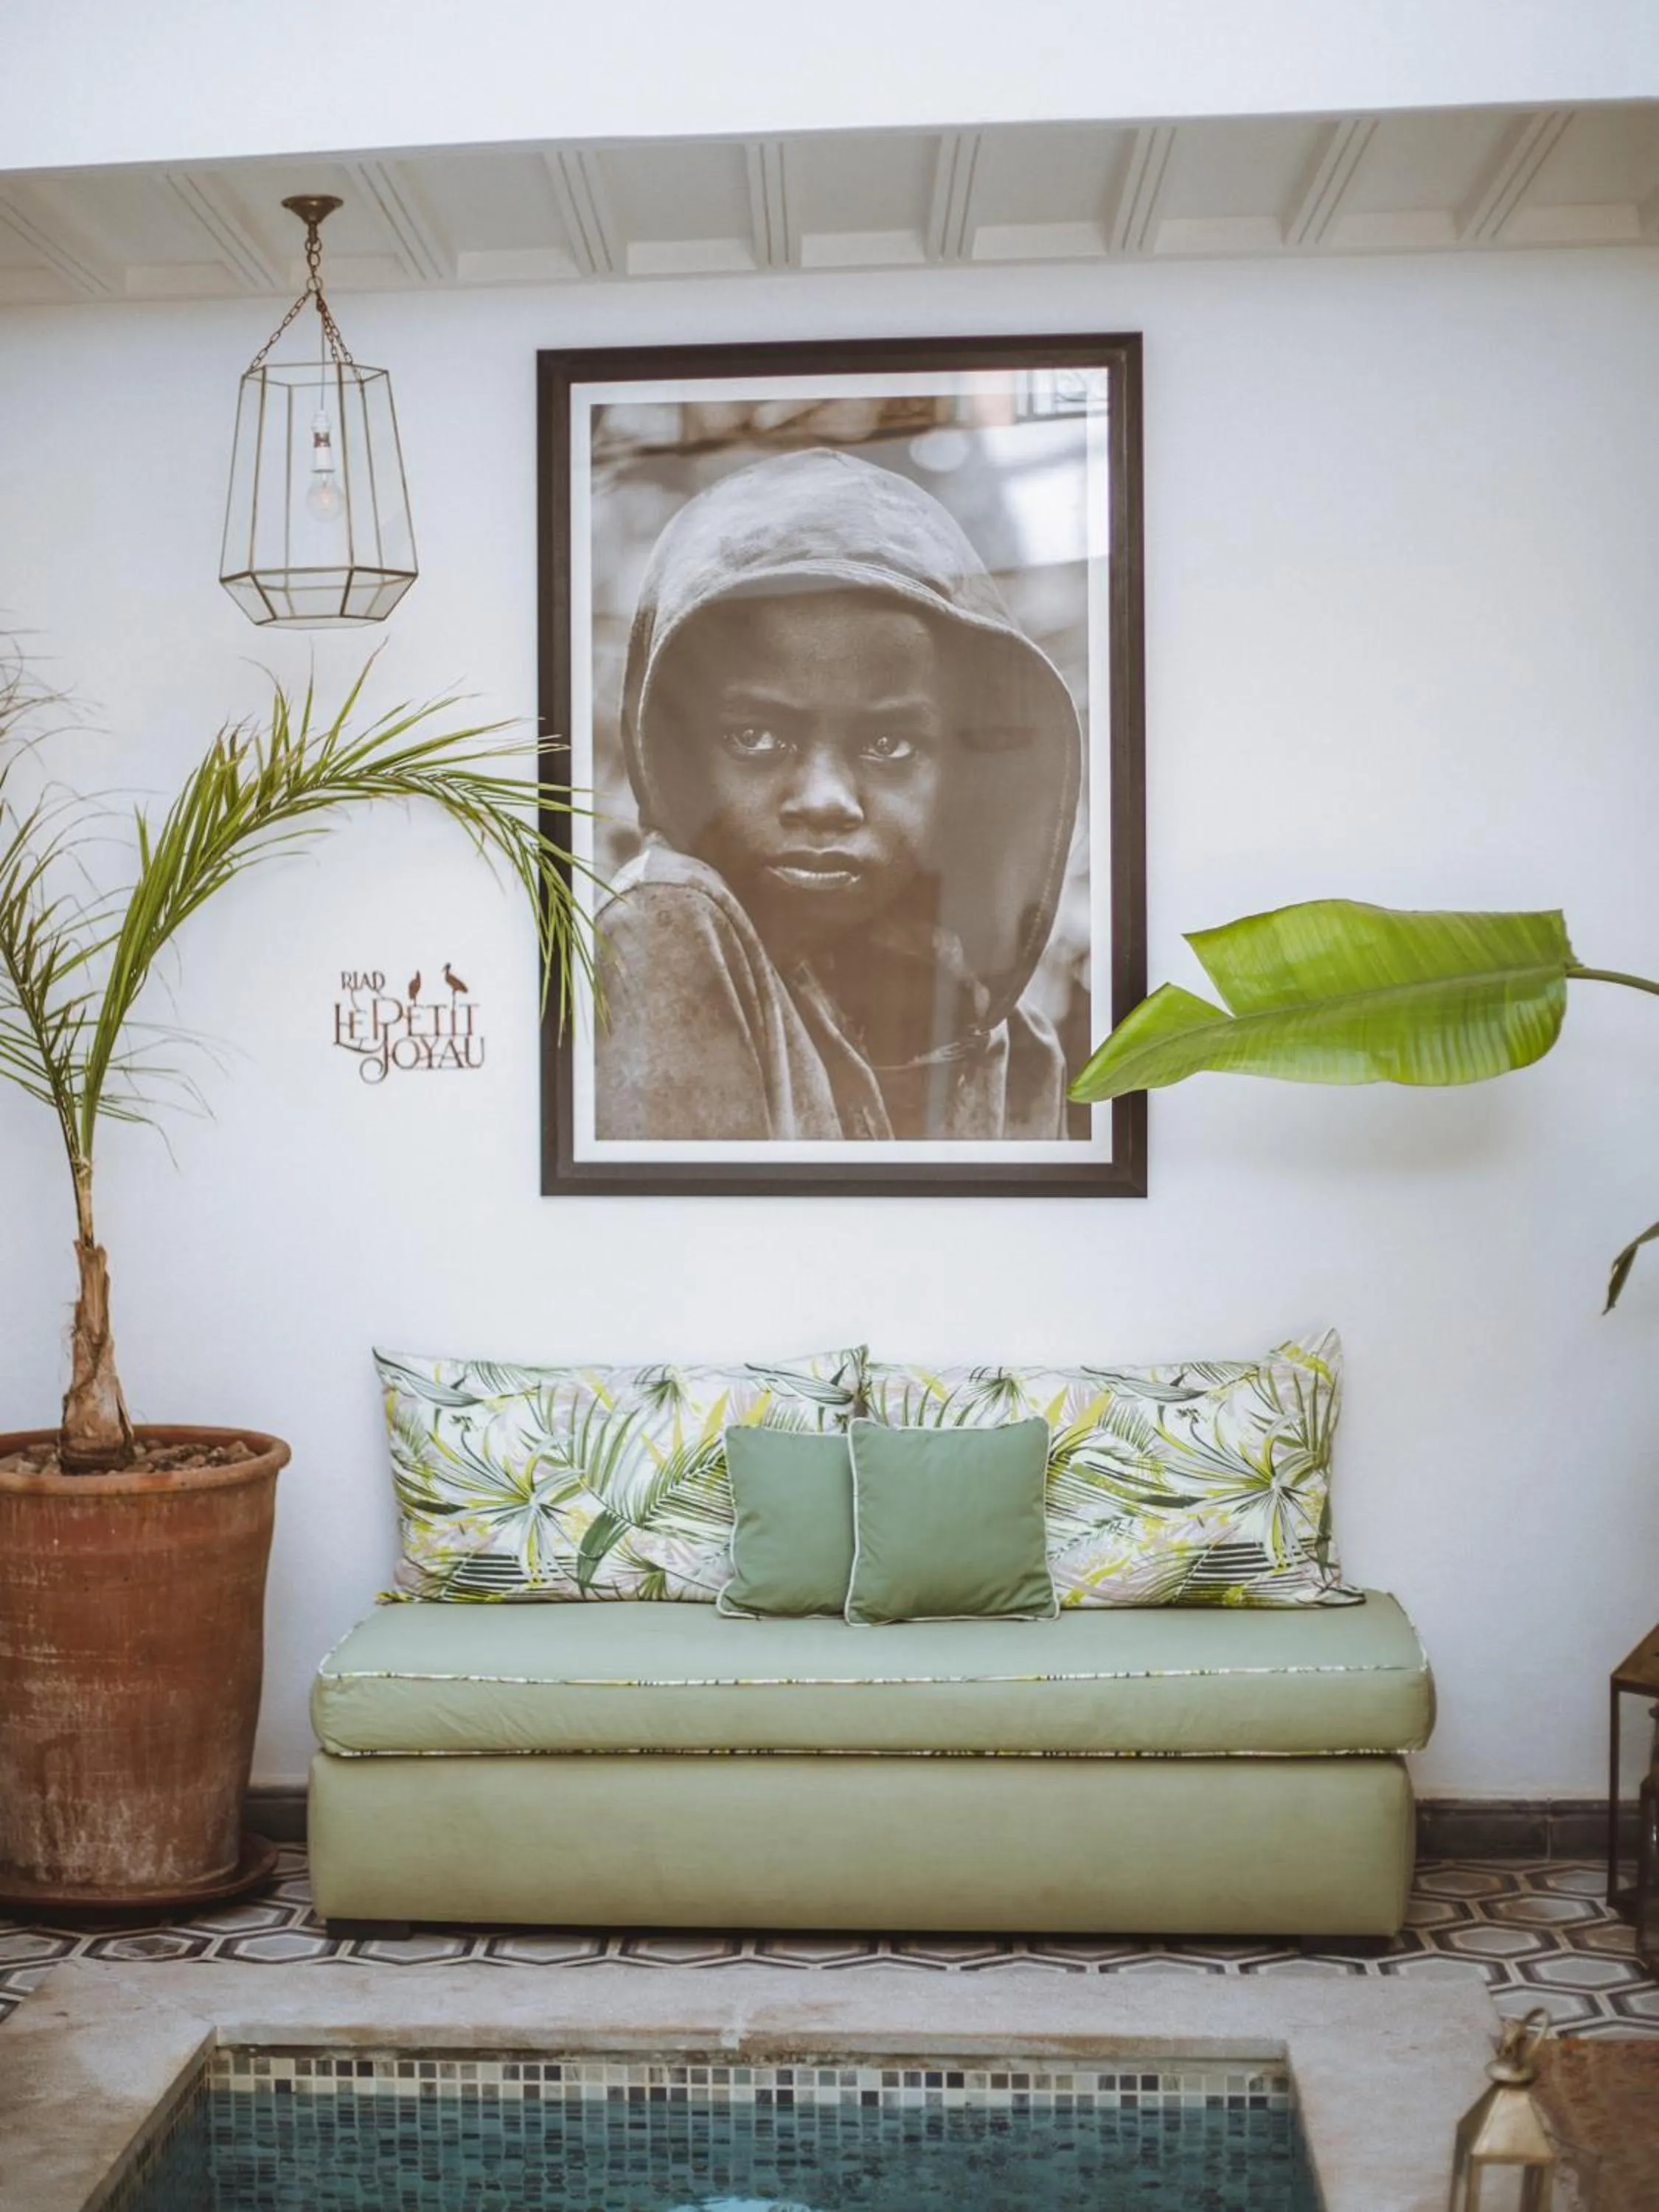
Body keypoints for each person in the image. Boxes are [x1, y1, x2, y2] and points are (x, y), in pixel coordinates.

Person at [594, 445, 1083, 1142]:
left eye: (889, 746)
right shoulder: (670, 921)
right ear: (678, 758)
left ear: (965, 780)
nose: (825, 800)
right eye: (756, 738)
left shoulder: (1009, 1041)